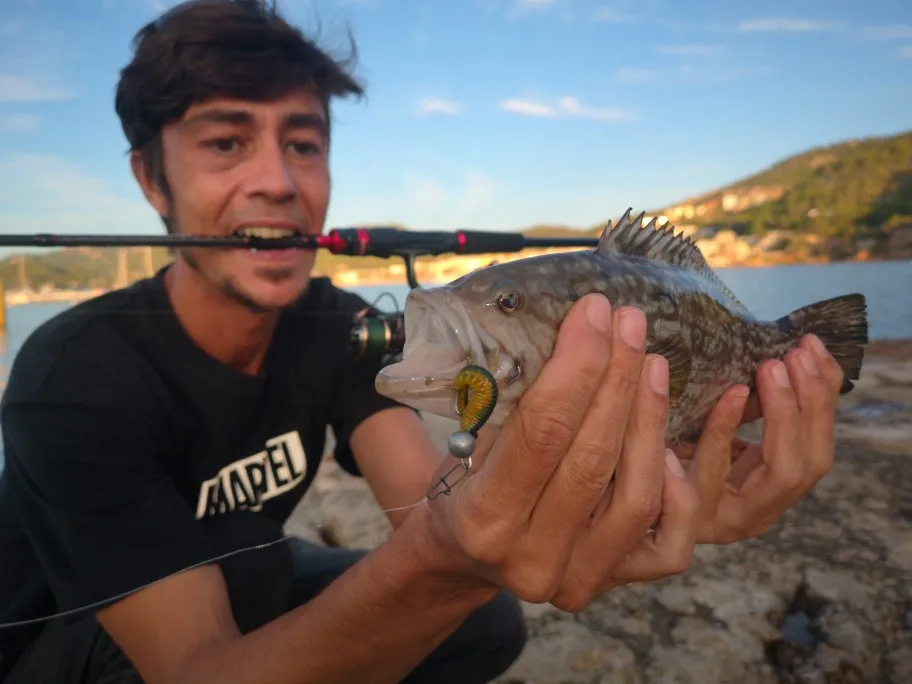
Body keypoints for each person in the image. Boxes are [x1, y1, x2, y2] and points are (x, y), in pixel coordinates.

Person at [0, 1, 848, 682]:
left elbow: (428, 498)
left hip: (244, 580)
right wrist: (445, 559)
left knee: (484, 620)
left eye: (304, 143)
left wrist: (563, 496)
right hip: (62, 643)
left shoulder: (336, 327)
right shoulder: (70, 377)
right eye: (226, 142)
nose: (279, 181)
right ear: (150, 179)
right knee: (249, 582)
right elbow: (192, 669)